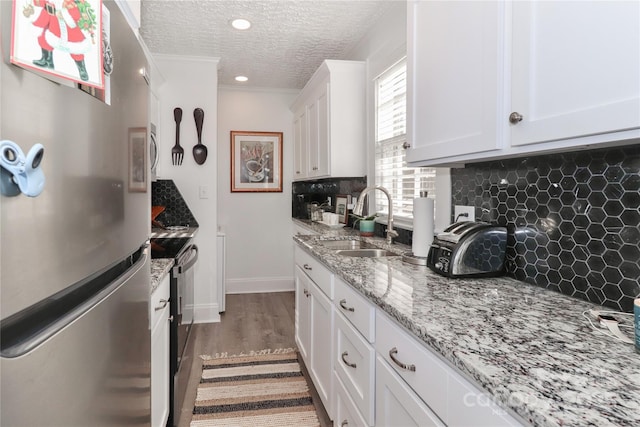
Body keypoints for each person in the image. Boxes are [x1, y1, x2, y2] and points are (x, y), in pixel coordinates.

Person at [23, 0, 94, 81]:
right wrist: (31, 5)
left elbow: (76, 13)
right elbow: (41, 2)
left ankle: (82, 68)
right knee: (41, 31)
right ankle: (47, 60)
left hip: (65, 21)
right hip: (50, 15)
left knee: (74, 44)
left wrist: (63, 14)